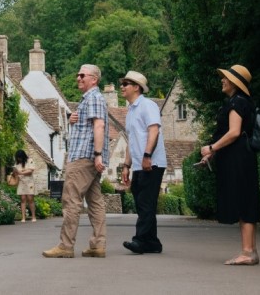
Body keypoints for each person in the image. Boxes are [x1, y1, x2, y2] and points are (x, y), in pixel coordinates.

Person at [42, 64, 109, 259]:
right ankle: (98, 244)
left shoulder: (94, 97)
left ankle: (65, 245)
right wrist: (74, 121)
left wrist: (97, 154)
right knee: (95, 201)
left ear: (94, 79)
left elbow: (99, 125)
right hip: (89, 157)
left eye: (82, 75)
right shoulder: (90, 99)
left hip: (83, 157)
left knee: (71, 199)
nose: (78, 78)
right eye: (77, 74)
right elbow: (90, 125)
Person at [199, 64, 260, 266]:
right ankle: (251, 249)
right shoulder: (245, 102)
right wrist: (213, 152)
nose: (222, 80)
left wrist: (211, 147)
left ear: (235, 83)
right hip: (244, 156)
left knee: (243, 201)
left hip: (237, 158)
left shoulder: (236, 103)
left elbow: (234, 132)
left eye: (226, 78)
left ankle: (247, 252)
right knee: (247, 199)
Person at [119, 70, 167, 254]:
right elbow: (132, 140)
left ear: (137, 87)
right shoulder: (130, 110)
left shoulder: (148, 105)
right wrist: (126, 165)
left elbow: (154, 131)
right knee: (142, 202)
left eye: (126, 84)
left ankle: (139, 240)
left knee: (146, 202)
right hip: (139, 164)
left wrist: (148, 156)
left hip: (152, 162)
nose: (122, 87)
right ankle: (152, 243)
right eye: (122, 84)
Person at [14, 149, 37, 222]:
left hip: (29, 182)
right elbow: (15, 172)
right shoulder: (17, 164)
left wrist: (20, 172)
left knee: (30, 199)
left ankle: (33, 216)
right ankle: (23, 217)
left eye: (20, 157)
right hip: (21, 182)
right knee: (23, 199)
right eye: (17, 157)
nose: (18, 159)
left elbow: (30, 171)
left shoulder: (30, 161)